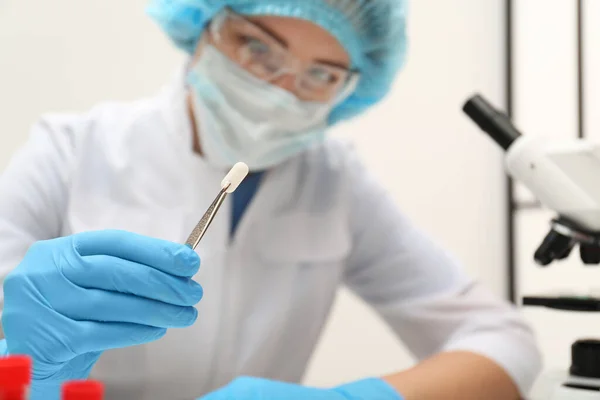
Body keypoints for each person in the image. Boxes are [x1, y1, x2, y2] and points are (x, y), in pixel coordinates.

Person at [0, 1, 542, 399]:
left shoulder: (336, 182)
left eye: (320, 75)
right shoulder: (72, 151)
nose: (281, 90)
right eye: (257, 46)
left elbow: (503, 340)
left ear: (350, 88)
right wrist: (27, 368)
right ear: (203, 30)